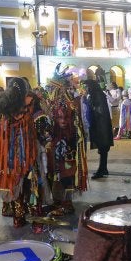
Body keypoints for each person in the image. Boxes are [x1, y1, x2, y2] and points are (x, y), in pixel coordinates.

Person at [0, 78, 51, 227]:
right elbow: (42, 125)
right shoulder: (31, 101)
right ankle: (36, 217)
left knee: (15, 183)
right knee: (32, 183)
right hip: (28, 153)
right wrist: (46, 140)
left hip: (8, 156)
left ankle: (18, 217)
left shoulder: (0, 104)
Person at [46, 65, 87, 215]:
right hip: (66, 142)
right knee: (62, 171)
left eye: (51, 87)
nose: (49, 91)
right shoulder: (66, 101)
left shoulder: (62, 103)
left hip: (63, 143)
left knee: (64, 172)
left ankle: (65, 202)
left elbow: (63, 122)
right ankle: (61, 201)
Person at [82, 80, 114, 179]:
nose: (86, 89)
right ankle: (103, 169)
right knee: (103, 149)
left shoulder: (98, 95)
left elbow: (100, 110)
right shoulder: (95, 94)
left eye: (87, 87)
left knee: (103, 148)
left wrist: (87, 103)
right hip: (100, 126)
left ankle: (101, 170)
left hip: (102, 127)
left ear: (92, 86)